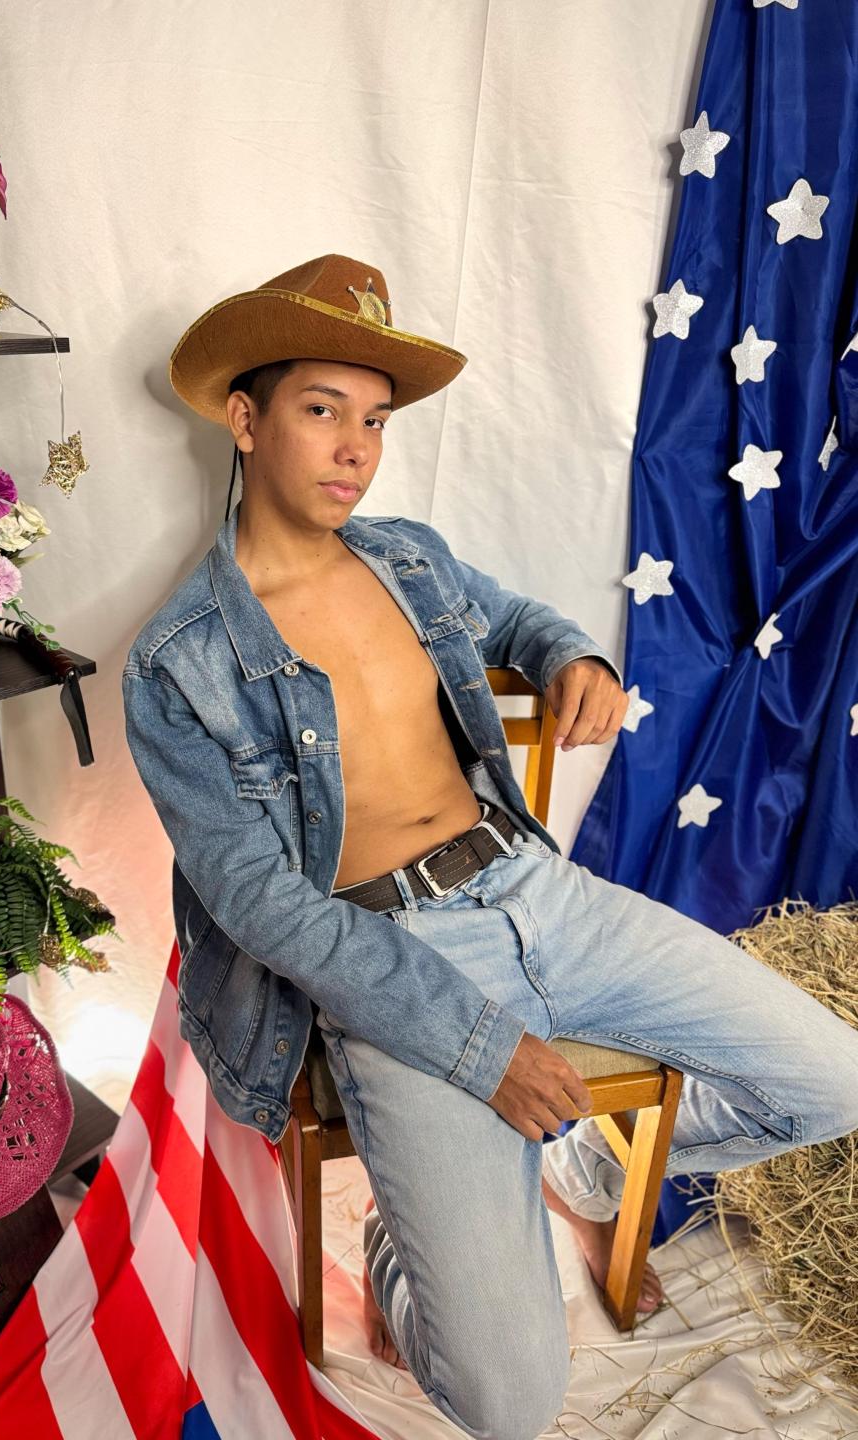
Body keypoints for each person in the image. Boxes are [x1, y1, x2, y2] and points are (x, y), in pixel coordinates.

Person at [122, 254, 858, 1440]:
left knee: (836, 1079)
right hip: (393, 967)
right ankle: (399, 1246)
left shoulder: (409, 555)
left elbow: (515, 618)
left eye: (375, 420)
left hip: (535, 892)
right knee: (509, 1406)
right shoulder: (179, 661)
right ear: (245, 419)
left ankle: (584, 1171)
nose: (356, 449)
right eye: (323, 410)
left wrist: (573, 655)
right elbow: (266, 909)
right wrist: (479, 1049)